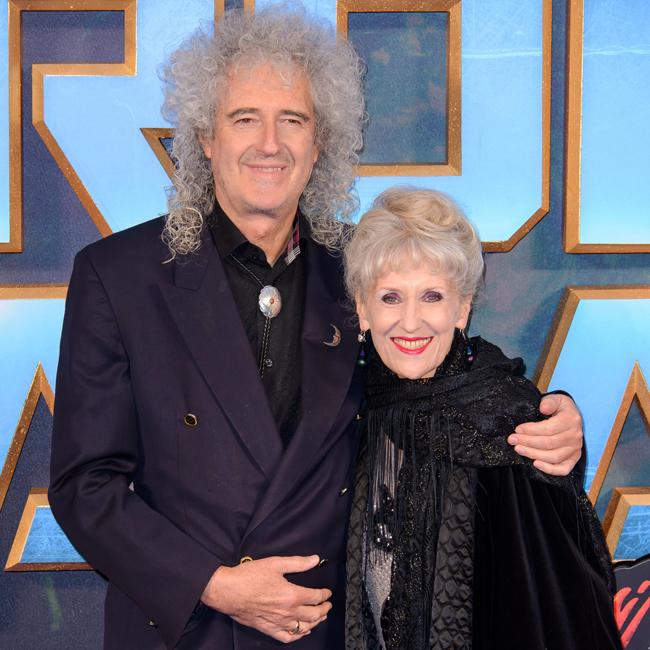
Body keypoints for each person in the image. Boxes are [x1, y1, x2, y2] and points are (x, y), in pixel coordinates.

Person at [49, 6, 584, 650]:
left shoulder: (361, 267)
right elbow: (85, 487)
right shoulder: (118, 275)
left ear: (320, 141)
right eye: (244, 118)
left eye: (293, 120)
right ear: (205, 138)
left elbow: (451, 380)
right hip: (185, 631)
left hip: (324, 632)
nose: (269, 143)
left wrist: (549, 418)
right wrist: (213, 585)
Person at [343, 187, 622, 650]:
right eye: (390, 297)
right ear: (362, 308)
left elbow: (556, 608)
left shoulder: (510, 424)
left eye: (432, 296)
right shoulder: (343, 409)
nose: (410, 322)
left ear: (462, 307)